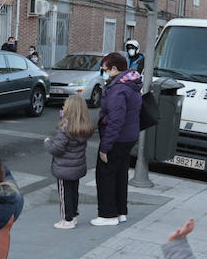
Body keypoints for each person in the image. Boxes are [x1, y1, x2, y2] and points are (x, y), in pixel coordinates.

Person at [92, 51, 143, 226]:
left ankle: (107, 215)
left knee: (105, 174)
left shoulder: (118, 89)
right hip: (129, 137)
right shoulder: (132, 83)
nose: (104, 73)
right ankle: (121, 212)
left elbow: (116, 120)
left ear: (114, 68)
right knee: (120, 174)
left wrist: (105, 147)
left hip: (117, 138)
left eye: (105, 70)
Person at [45, 95, 93, 229]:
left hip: (64, 168)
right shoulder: (83, 127)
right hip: (77, 167)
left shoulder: (65, 128)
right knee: (73, 191)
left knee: (64, 194)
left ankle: (67, 220)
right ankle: (74, 215)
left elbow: (57, 149)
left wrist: (48, 143)